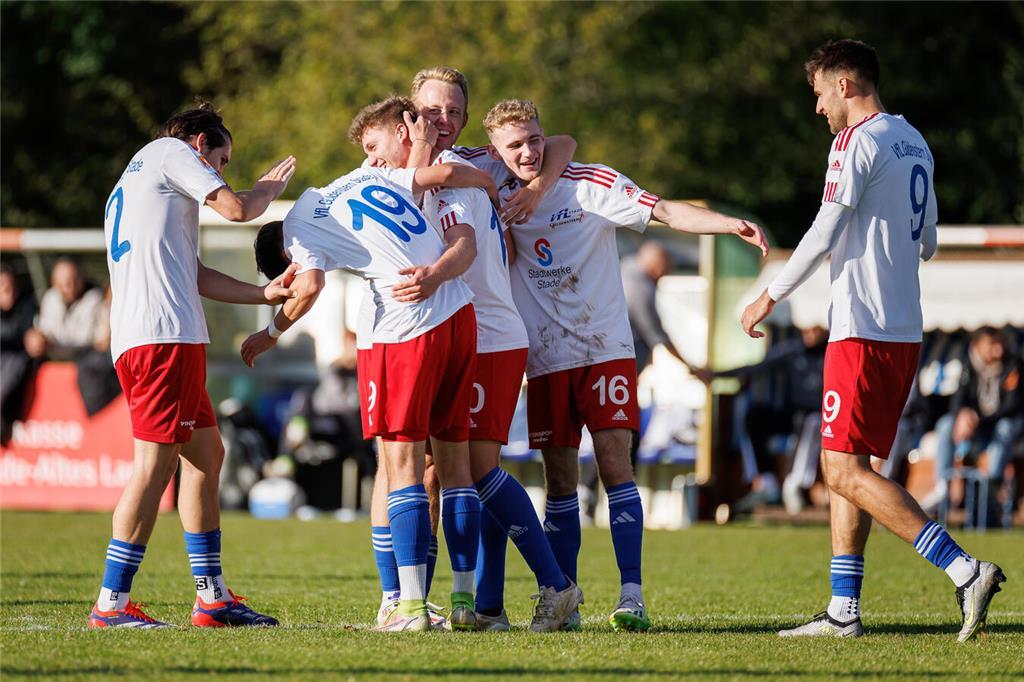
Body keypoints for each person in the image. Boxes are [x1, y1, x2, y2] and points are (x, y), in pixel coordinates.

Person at [741, 39, 1004, 641]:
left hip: (860, 327)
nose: (817, 108)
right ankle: (843, 610)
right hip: (903, 331)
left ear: (845, 84)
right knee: (850, 465)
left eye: (819, 94)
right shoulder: (915, 141)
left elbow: (826, 225)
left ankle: (965, 571)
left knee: (840, 470)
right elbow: (928, 240)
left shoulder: (855, 140)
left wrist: (770, 295)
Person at [484, 98, 768, 631]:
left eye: (534, 139)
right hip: (545, 359)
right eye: (514, 145)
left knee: (616, 466)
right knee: (560, 480)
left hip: (604, 351)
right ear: (496, 152)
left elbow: (665, 210)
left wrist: (728, 224)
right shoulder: (491, 186)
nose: (528, 152)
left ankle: (631, 594)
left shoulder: (589, 183)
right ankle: (563, 600)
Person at [245, 96, 500, 632]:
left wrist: (269, 334)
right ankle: (463, 602)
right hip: (460, 313)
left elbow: (308, 287)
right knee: (454, 468)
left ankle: (409, 607)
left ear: (282, 264)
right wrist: (486, 183)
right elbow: (443, 174)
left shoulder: (299, 230)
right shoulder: (364, 177)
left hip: (406, 324)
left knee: (400, 468)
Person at [362, 65, 580, 629]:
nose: (443, 119)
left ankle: (552, 586)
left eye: (454, 111)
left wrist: (531, 190)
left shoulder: (469, 165)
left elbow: (560, 142)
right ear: (409, 113)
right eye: (432, 110)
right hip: (429, 333)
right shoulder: (387, 170)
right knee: (414, 468)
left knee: (474, 468)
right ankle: (423, 600)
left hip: (486, 336)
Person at [89, 102, 298, 629]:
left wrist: (262, 294)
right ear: (200, 144)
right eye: (221, 161)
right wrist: (265, 192)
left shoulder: (140, 175)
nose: (220, 173)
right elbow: (237, 210)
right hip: (163, 337)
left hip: (155, 336)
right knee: (154, 466)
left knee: (206, 454)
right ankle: (111, 604)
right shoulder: (171, 152)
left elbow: (195, 273)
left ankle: (212, 598)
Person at [925, 327, 1023, 522]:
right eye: (991, 345)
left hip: (1001, 427)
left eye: (999, 344)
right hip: (976, 428)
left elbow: (1013, 405)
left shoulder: (1012, 364)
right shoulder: (969, 364)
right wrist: (962, 415)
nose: (997, 350)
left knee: (1004, 428)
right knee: (946, 424)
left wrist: (977, 418)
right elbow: (958, 399)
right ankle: (942, 487)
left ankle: (990, 489)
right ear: (977, 346)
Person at [24, 257, 104, 362]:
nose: (71, 287)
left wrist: (53, 345)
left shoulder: (95, 298)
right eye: (65, 283)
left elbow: (93, 341)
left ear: (82, 278)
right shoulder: (50, 298)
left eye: (75, 280)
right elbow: (44, 331)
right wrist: (37, 339)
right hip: (52, 361)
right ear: (54, 282)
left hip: (87, 362)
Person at [0, 263, 37, 443]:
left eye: (11, 285)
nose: (8, 290)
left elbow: (29, 339)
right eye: (3, 286)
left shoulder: (27, 305)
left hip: (17, 363)